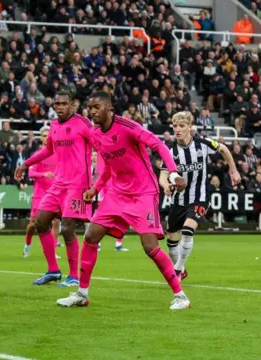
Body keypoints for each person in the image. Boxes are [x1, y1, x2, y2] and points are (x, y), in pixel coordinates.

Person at [56, 91, 191, 310]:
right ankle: (82, 293)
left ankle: (180, 295)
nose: (92, 112)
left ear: (110, 108)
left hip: (143, 193)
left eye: (97, 107)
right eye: (90, 108)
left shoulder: (128, 127)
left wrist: (173, 174)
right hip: (117, 194)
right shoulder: (96, 134)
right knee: (91, 236)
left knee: (150, 247)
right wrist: (95, 188)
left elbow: (159, 145)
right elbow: (110, 165)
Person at [14, 91, 93, 288]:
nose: (59, 107)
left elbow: (100, 144)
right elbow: (48, 150)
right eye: (56, 103)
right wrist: (25, 165)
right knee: (40, 222)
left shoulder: (83, 123)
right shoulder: (54, 126)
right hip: (58, 184)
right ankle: (53, 270)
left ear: (72, 105)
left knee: (67, 227)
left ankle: (74, 276)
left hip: (77, 184)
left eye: (63, 103)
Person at [160, 112, 240, 280]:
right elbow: (163, 175)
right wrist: (166, 185)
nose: (178, 129)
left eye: (182, 126)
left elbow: (224, 149)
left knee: (188, 231)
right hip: (178, 201)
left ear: (190, 127)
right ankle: (182, 269)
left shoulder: (202, 144)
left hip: (199, 197)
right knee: (172, 244)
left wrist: (233, 170)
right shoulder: (169, 150)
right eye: (175, 126)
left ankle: (177, 269)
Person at [24, 127, 61, 259]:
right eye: (44, 135)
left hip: (55, 193)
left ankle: (53, 250)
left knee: (56, 222)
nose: (47, 138)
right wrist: (44, 174)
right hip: (40, 193)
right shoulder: (37, 154)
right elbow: (30, 173)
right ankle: (27, 245)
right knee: (33, 224)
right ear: (41, 138)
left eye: (49, 135)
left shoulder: (59, 154)